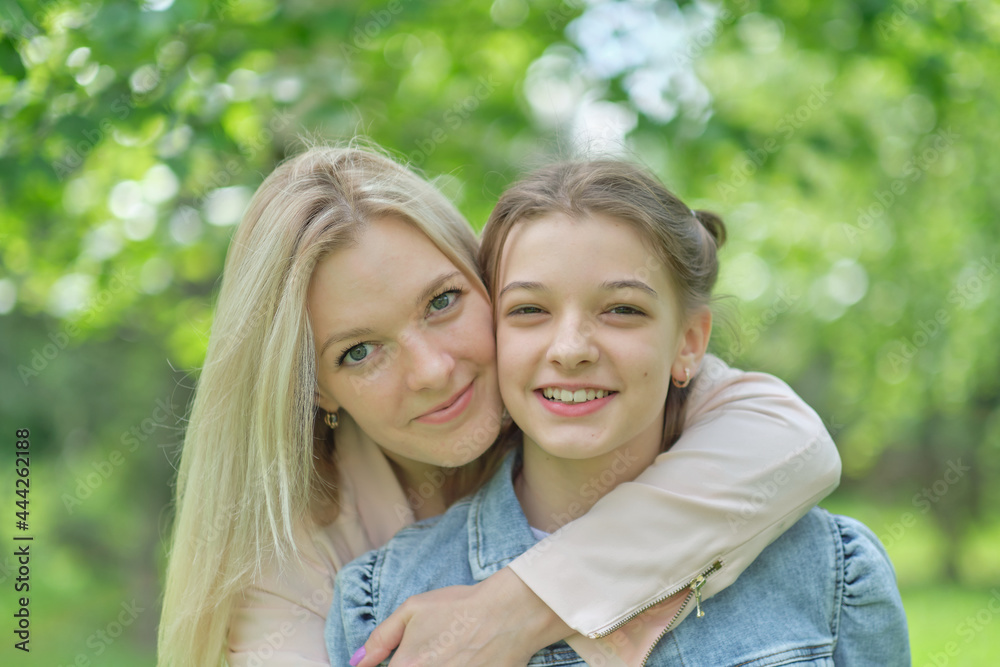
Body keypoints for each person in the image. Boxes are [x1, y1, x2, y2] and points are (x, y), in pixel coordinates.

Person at [157, 145, 842, 667]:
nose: (433, 370)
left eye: (443, 301)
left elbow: (790, 443)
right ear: (314, 389)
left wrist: (519, 605)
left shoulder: (569, 386)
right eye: (359, 351)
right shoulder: (291, 560)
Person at [326, 159, 909, 666]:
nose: (572, 347)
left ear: (688, 342)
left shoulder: (833, 570)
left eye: (622, 309)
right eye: (530, 309)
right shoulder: (381, 602)